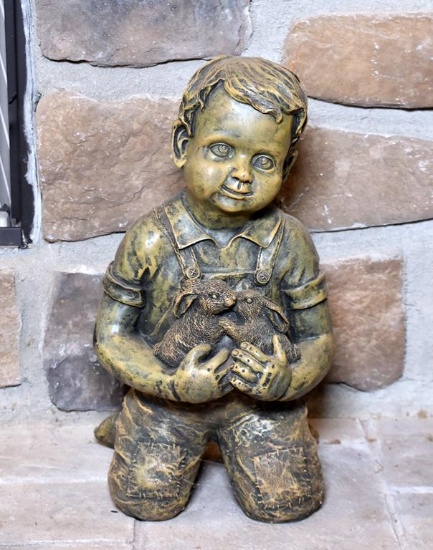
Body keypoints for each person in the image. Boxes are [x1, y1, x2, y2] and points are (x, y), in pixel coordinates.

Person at [94, 55, 334, 523]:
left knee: (288, 504)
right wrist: (169, 385)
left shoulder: (291, 243)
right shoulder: (151, 238)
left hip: (258, 406)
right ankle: (135, 424)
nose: (242, 175)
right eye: (222, 150)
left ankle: (267, 438)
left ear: (288, 164)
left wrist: (287, 382)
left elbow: (317, 339)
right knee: (144, 501)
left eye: (263, 160)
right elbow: (112, 336)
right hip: (169, 402)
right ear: (184, 145)